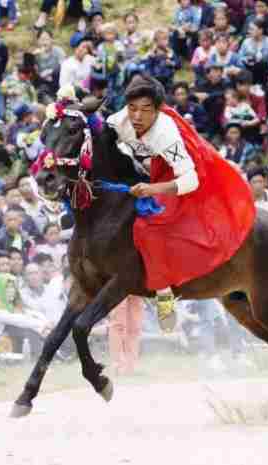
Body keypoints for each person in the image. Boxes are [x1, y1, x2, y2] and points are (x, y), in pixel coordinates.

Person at [106, 74, 256, 332]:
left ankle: (164, 294)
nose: (137, 117)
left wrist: (153, 188)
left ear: (158, 110)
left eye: (146, 110)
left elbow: (190, 180)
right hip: (142, 170)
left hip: (177, 176)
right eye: (132, 108)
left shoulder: (166, 133)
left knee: (148, 226)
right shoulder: (118, 120)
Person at [108, 296, 145, 375]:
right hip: (117, 285)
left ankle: (131, 366)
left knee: (135, 326)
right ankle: (118, 365)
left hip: (137, 286)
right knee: (118, 323)